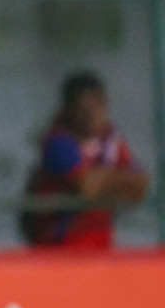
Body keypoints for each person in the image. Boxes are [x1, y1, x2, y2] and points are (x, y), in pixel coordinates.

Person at [24, 71, 149, 248]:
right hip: (59, 252)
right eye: (84, 109)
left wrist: (102, 179)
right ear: (68, 110)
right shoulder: (58, 143)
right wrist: (119, 179)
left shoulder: (111, 141)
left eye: (97, 106)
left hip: (100, 251)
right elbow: (86, 186)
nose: (92, 115)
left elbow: (140, 188)